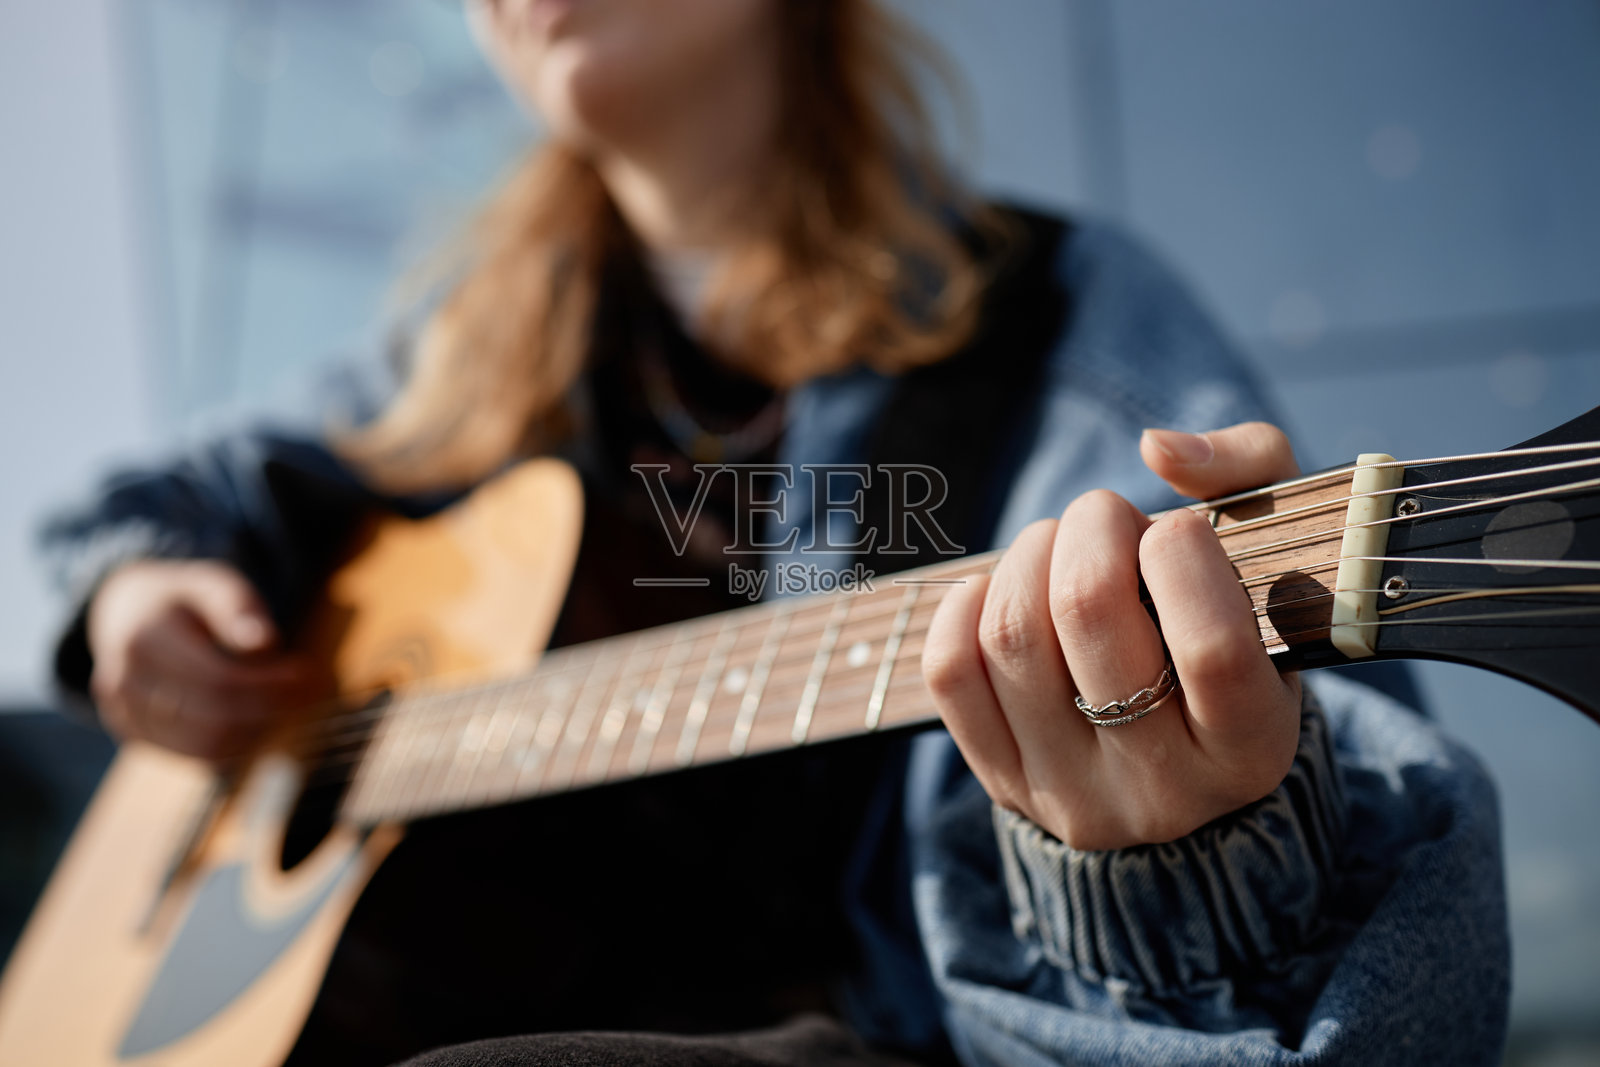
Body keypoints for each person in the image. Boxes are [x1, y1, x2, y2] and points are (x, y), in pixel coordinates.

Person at [42, 1, 1509, 1064]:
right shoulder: (456, 354)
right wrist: (136, 597)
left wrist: (1205, 857)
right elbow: (152, 505)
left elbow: (1388, 991)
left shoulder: (1053, 326)